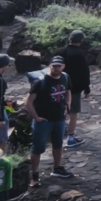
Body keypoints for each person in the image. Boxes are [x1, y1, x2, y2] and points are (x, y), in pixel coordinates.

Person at [29, 55, 73, 183]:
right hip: (43, 120)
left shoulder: (65, 77)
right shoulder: (40, 82)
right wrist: (36, 117)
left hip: (59, 118)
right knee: (37, 148)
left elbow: (68, 91)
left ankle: (57, 167)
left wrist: (68, 105)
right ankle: (34, 173)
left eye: (59, 66)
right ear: (50, 66)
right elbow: (29, 102)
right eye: (54, 66)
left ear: (63, 67)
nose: (56, 68)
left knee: (58, 144)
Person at [61, 34, 90, 148]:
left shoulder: (60, 52)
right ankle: (70, 138)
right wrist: (87, 88)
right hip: (74, 89)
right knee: (73, 113)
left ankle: (57, 136)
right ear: (81, 41)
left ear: (69, 39)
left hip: (58, 87)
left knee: (59, 111)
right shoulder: (80, 54)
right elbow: (85, 72)